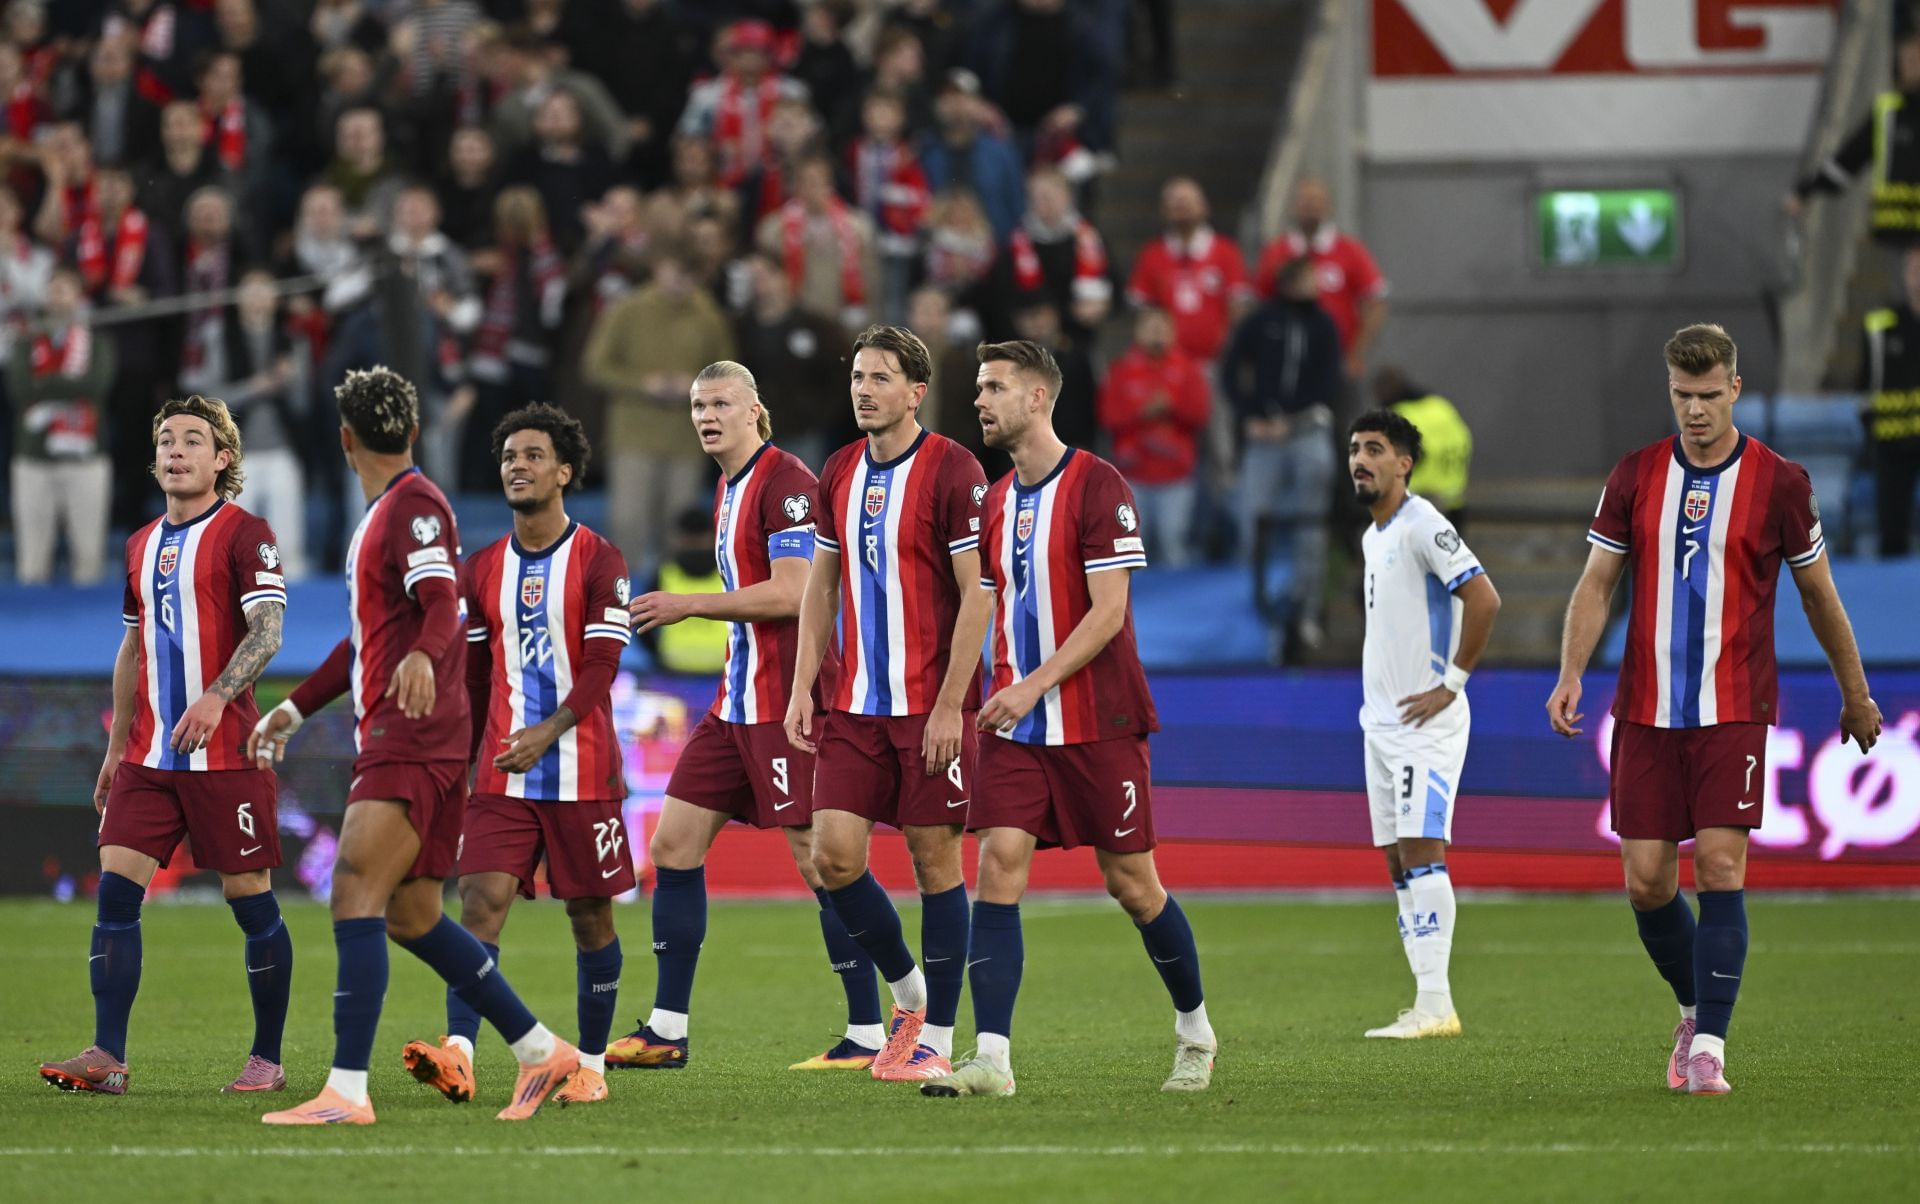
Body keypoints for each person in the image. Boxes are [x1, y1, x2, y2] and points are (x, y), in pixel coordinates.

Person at [1547, 324, 1883, 1095]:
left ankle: (1712, 1050)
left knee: (1722, 866)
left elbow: (1818, 593)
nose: (1694, 411)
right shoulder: (1634, 476)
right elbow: (1599, 582)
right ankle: (1694, 1007)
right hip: (1644, 709)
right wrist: (1571, 671)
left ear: (1734, 388)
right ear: (1669, 390)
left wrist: (1855, 693)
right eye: (1681, 396)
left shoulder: (1780, 483)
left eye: (1707, 396)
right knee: (1646, 883)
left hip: (1734, 707)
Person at [250, 367, 580, 1124]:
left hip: (410, 738)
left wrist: (428, 658)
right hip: (418, 738)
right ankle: (539, 1049)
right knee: (413, 916)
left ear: (344, 441)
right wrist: (294, 709)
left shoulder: (414, 506)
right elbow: (372, 637)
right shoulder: (391, 514)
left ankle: (347, 1091)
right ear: (414, 431)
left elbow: (442, 602)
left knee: (352, 892)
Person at [921, 338, 1215, 1099]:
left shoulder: (1098, 484)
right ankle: (991, 1059)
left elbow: (1110, 612)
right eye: (979, 388)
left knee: (1133, 885)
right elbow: (982, 603)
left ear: (1038, 398)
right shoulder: (992, 500)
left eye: (995, 388)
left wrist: (1031, 685)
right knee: (998, 865)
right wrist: (959, 696)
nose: (980, 401)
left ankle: (1196, 1032)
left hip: (1098, 720)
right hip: (1018, 730)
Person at [605, 360, 884, 1073]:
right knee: (672, 848)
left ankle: (873, 1028)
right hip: (735, 706)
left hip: (786, 702)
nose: (707, 414)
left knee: (820, 861)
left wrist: (688, 602)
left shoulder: (786, 483)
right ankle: (667, 1030)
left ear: (756, 410)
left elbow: (794, 594)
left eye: (722, 402)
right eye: (699, 404)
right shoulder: (729, 488)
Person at [36, 394, 290, 1098]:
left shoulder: (247, 533)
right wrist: (116, 747)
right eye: (166, 441)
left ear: (222, 459)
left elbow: (267, 631)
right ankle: (107, 1056)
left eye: (192, 440)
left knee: (250, 901)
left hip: (229, 754)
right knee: (116, 897)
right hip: (149, 758)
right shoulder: (140, 543)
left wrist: (215, 694)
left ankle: (267, 1059)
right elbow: (131, 648)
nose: (176, 451)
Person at [400, 403, 634, 1109]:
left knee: (591, 918)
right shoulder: (480, 570)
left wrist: (550, 730)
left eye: (533, 455)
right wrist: (460, 763)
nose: (518, 466)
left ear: (564, 471)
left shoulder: (601, 559)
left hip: (583, 770)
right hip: (502, 773)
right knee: (480, 904)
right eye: (508, 456)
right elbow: (472, 679)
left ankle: (589, 1065)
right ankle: (461, 1053)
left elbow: (602, 666)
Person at [785, 324, 991, 1083]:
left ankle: (934, 1038)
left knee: (934, 861)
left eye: (880, 378)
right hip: (856, 705)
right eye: (857, 377)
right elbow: (822, 585)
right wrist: (805, 682)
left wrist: (948, 706)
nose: (863, 389)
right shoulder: (837, 469)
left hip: (929, 705)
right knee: (831, 856)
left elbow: (979, 593)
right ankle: (911, 993)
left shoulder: (953, 469)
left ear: (915, 391)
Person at [1347, 408, 1499, 1039]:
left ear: (1404, 464)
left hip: (1424, 724)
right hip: (1380, 724)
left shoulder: (1422, 524)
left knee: (1421, 851)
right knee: (1394, 859)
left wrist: (1452, 683)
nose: (1359, 459)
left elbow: (1483, 596)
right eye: (1355, 449)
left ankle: (1436, 1004)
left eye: (1374, 449)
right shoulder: (1373, 534)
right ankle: (1425, 1002)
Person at [583, 245, 737, 570]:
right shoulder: (628, 309)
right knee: (628, 524)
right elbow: (594, 365)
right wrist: (643, 384)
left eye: (689, 272)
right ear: (657, 266)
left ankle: (673, 610)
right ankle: (621, 609)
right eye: (674, 269)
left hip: (687, 438)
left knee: (680, 529)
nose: (680, 279)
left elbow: (728, 372)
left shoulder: (708, 315)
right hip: (633, 437)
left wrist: (694, 385)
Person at [1223, 255, 1342, 649]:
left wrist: (1292, 420)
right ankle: (1252, 615)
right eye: (1310, 280)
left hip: (1308, 429)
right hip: (1264, 434)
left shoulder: (1323, 324)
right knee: (1252, 519)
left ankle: (1306, 612)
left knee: (1311, 525)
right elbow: (1231, 370)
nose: (1317, 286)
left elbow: (1329, 379)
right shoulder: (1260, 322)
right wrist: (1250, 414)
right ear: (1290, 283)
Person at [8, 266, 116, 585]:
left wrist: (44, 385)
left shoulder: (98, 342)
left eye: (65, 288)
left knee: (88, 558)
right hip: (33, 459)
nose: (58, 296)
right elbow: (19, 389)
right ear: (44, 296)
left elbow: (97, 385)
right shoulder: (25, 342)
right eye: (53, 288)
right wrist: (71, 384)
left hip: (86, 458)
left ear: (78, 296)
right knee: (32, 561)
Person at [1096, 306, 1210, 567]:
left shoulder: (1188, 368)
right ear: (1137, 332)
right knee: (1132, 553)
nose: (1157, 333)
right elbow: (1107, 416)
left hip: (1176, 476)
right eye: (1150, 327)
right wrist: (1143, 411)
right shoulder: (1121, 370)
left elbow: (1201, 414)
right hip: (1132, 477)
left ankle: (1178, 606)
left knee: (1173, 545)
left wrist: (1172, 407)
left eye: (1162, 327)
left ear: (1173, 331)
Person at [1789, 32, 1920, 244]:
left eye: (1915, 59)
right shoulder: (1888, 112)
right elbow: (1850, 159)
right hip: (1896, 235)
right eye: (1906, 59)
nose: (1910, 65)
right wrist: (1808, 188)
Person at [1253, 178, 1388, 382]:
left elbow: (1376, 302)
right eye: (1305, 202)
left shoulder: (1349, 250)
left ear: (1328, 206)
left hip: (1336, 361)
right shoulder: (1276, 252)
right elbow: (1260, 302)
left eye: (1316, 202)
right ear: (1294, 206)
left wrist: (1356, 353)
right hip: (1285, 361)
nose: (1311, 208)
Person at [1861, 247, 1920, 555]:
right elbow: (1866, 385)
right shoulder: (1881, 325)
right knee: (1891, 533)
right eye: (1913, 269)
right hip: (1892, 442)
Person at [1378, 367, 1472, 530]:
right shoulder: (1440, 405)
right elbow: (1464, 438)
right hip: (1453, 500)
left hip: (1418, 501)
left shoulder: (1399, 415)